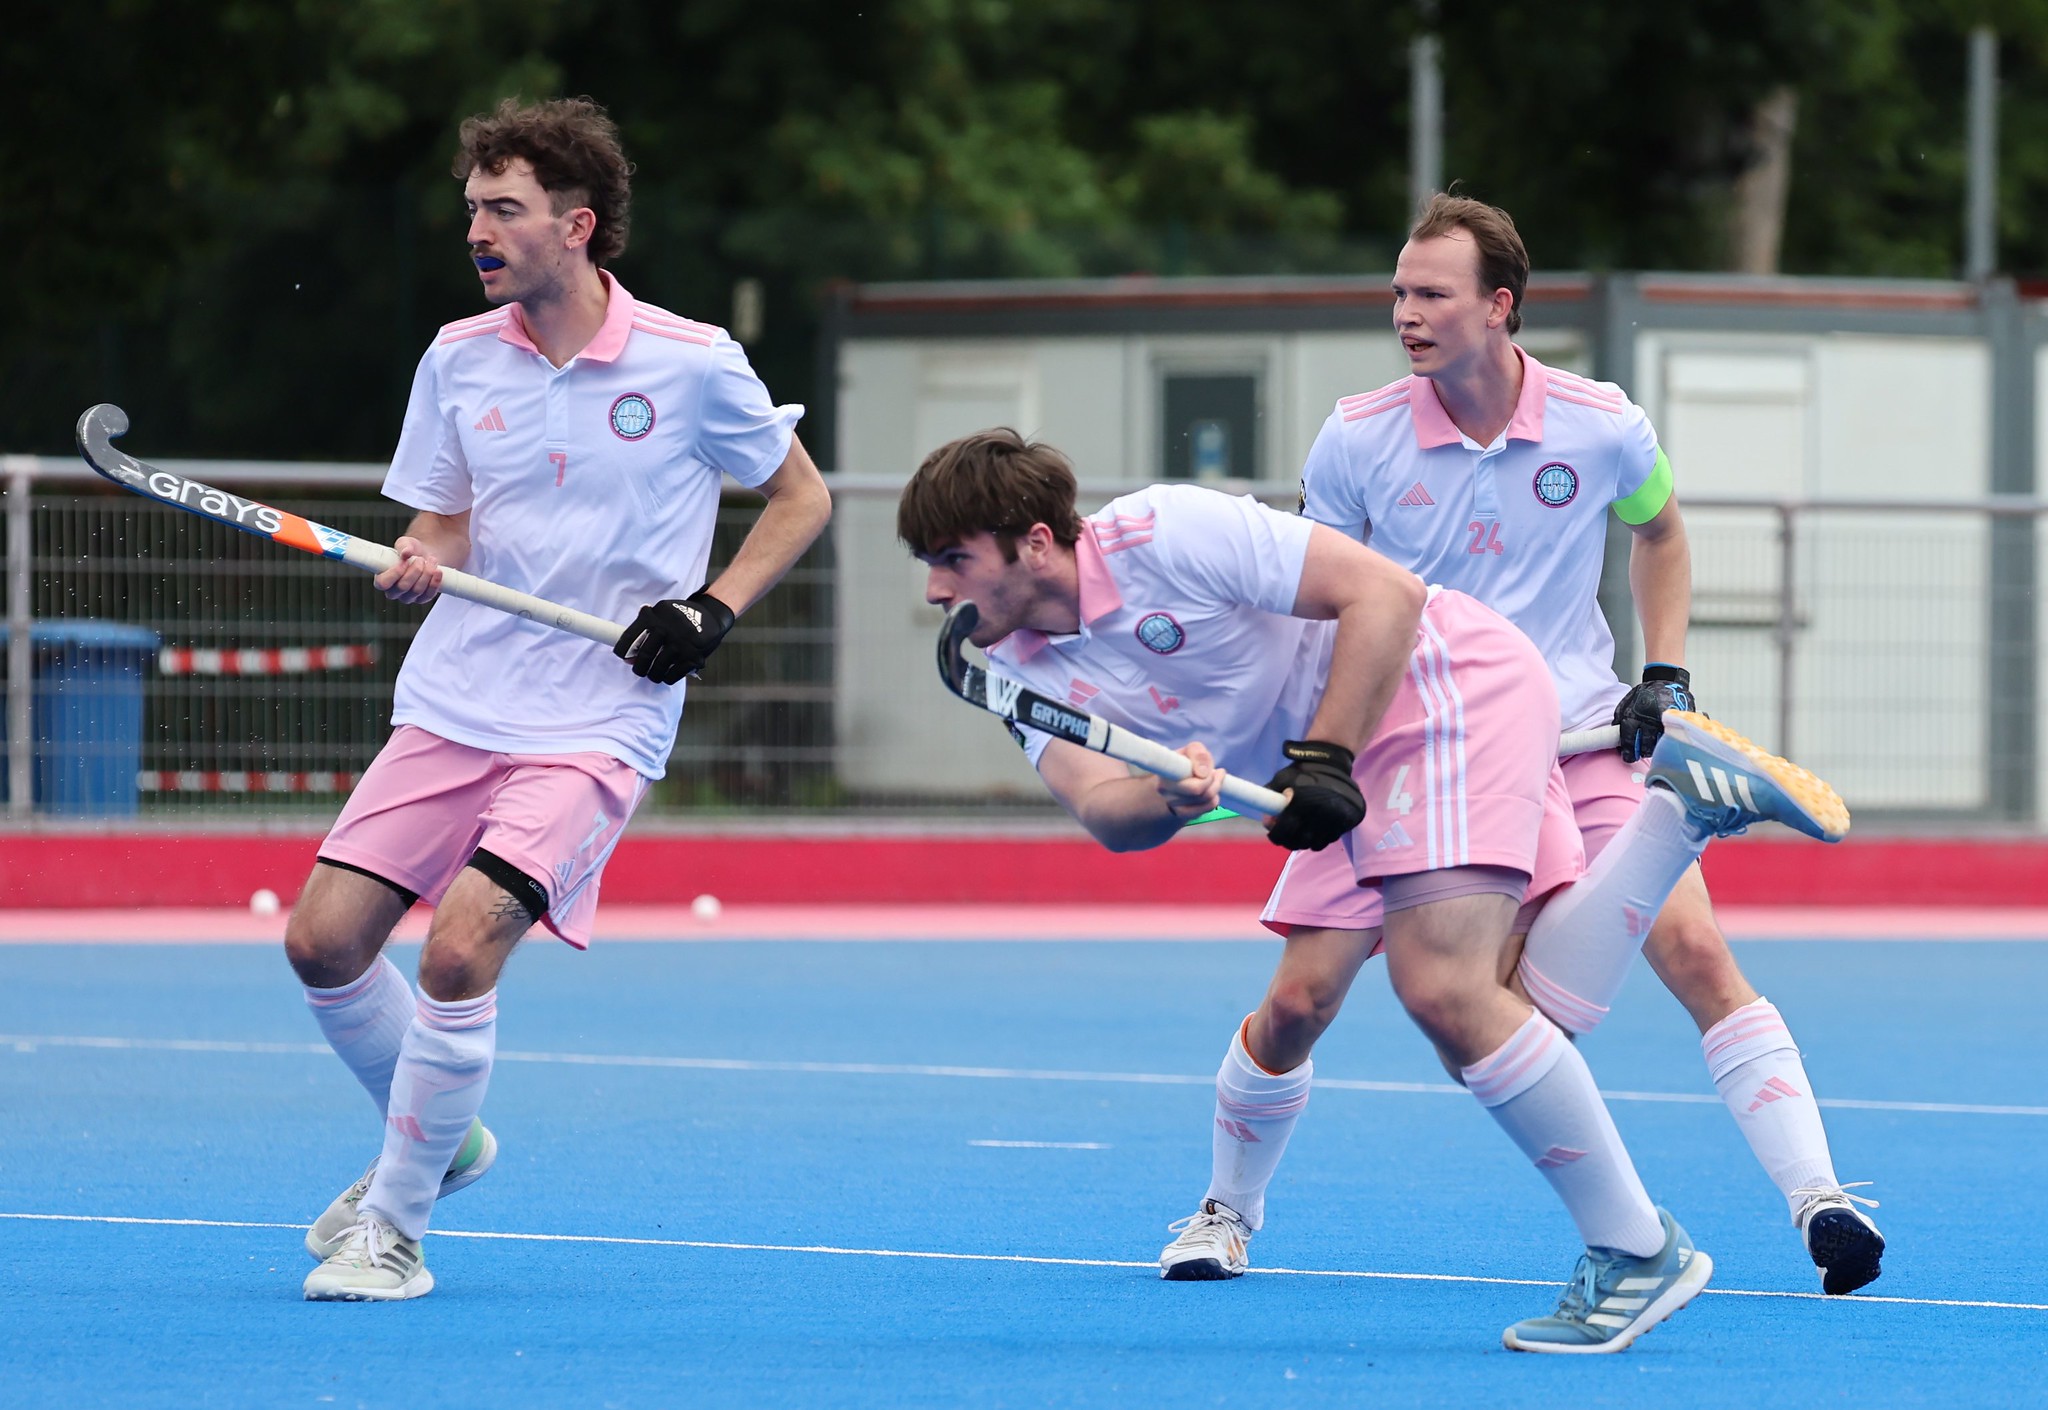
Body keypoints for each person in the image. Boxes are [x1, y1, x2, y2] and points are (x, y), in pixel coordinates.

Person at [898, 429, 1842, 1352]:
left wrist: (1325, 756)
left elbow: (1385, 593)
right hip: (1332, 769)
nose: (937, 589)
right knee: (1343, 1006)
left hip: (1438, 687)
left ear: (1034, 542)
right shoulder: (1012, 663)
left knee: (1448, 991)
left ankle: (1636, 1249)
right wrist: (1171, 797)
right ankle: (1674, 821)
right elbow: (1105, 810)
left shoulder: (1167, 531)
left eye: (952, 559)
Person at [1232, 191, 1881, 1297]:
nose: (1404, 314)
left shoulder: (1602, 423)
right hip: (1412, 752)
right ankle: (1225, 1211)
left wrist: (1664, 676)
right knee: (1302, 1002)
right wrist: (1309, 742)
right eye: (1398, 292)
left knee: (1694, 954)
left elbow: (1659, 532)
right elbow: (1317, 599)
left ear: (1499, 307)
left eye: (1431, 294)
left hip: (1579, 733)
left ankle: (1820, 1198)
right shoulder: (1355, 437)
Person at [283, 97, 832, 1301]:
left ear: (575, 226)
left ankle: (395, 1229)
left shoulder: (692, 362)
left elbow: (801, 497)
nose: (475, 231)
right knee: (321, 941)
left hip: (597, 720)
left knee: (460, 948)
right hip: (457, 699)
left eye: (503, 209)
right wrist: (420, 557)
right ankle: (442, 1140)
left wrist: (711, 610)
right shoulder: (456, 356)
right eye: (471, 208)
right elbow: (443, 520)